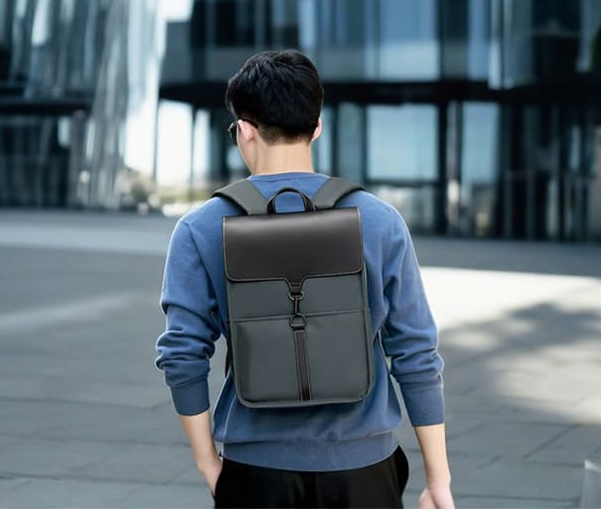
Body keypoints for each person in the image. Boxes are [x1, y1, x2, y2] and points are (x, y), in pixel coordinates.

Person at [155, 50, 454, 508]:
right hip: (365, 468)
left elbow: (182, 356)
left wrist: (208, 463)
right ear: (317, 127)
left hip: (257, 471)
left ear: (246, 130)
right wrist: (438, 479)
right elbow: (415, 352)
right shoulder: (379, 221)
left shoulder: (200, 228)